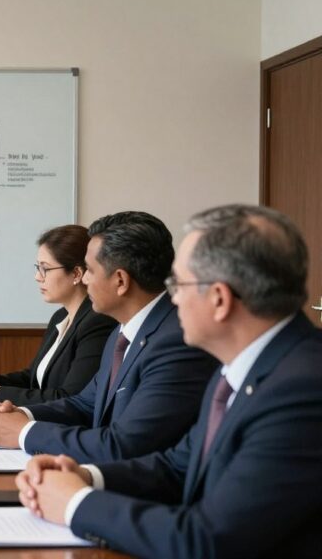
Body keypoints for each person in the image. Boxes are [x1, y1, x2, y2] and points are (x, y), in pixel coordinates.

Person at [16, 204, 322, 558]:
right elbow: (178, 466)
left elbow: (207, 539)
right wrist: (87, 476)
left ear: (219, 299)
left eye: (178, 283)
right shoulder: (244, 366)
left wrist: (76, 503)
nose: (170, 297)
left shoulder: (301, 391)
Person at [0, 211, 217, 462]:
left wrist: (25, 433)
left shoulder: (178, 342)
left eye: (90, 270)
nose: (85, 279)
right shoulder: (120, 333)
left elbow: (124, 445)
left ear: (120, 280)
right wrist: (20, 414)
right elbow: (85, 404)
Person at [0, 225, 116, 405]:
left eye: (45, 269)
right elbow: (33, 379)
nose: (37, 277)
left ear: (76, 274)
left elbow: (70, 398)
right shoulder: (60, 316)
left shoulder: (98, 322)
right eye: (37, 267)